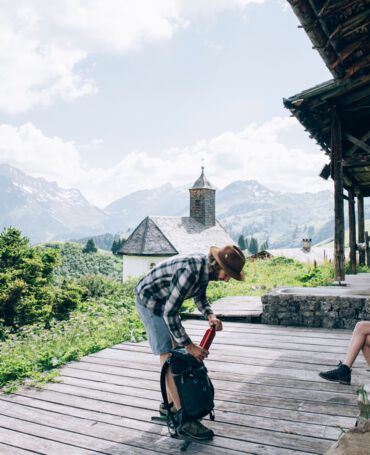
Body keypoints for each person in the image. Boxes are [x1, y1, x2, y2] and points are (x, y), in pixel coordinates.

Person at [135, 244, 246, 440]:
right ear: (216, 266)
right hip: (151, 302)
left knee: (175, 352)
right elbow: (169, 312)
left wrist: (210, 315)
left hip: (165, 304)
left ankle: (167, 406)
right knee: (168, 355)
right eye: (227, 274)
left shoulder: (204, 270)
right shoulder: (191, 270)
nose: (228, 279)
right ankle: (183, 420)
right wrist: (189, 345)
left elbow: (200, 297)